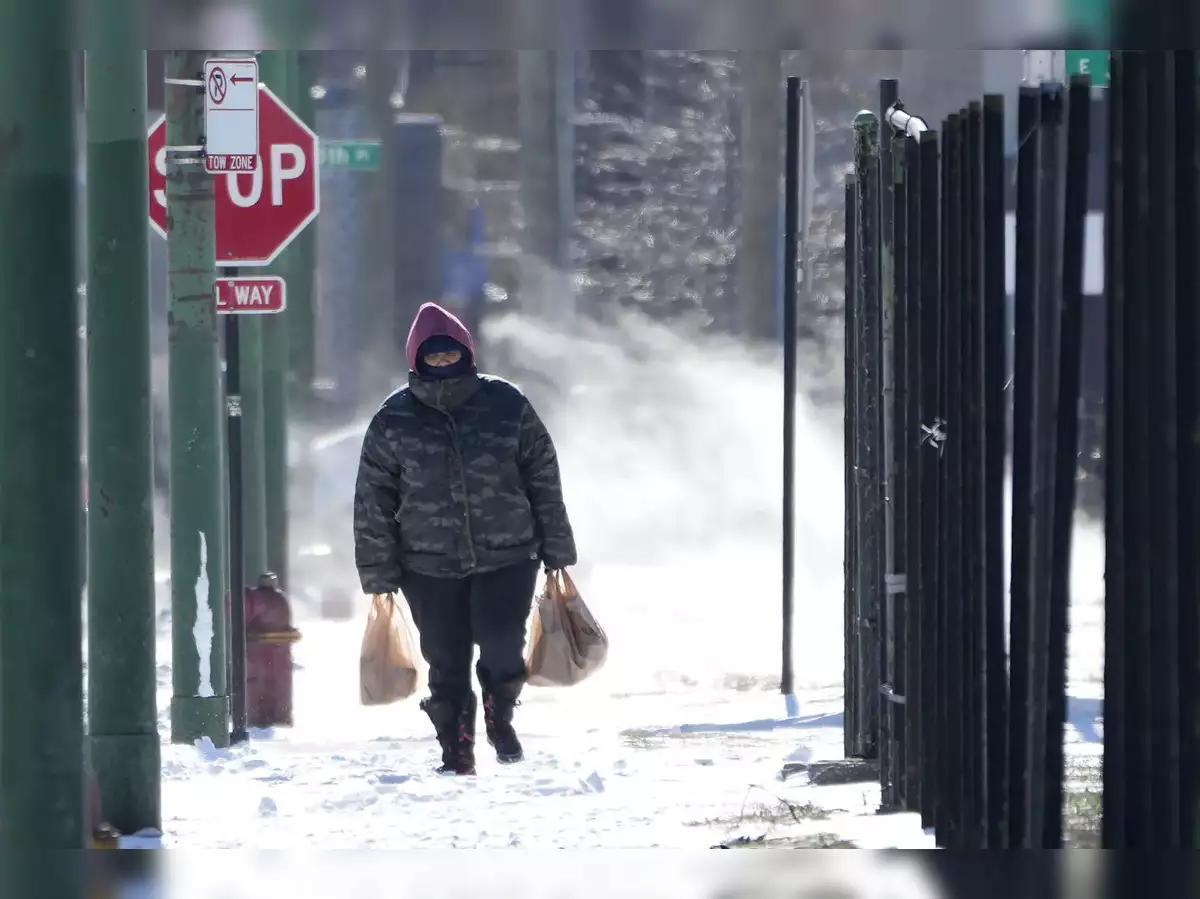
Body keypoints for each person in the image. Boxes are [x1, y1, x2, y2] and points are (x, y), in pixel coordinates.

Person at [353, 301, 577, 775]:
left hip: (509, 554)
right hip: (427, 564)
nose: (441, 363)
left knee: (501, 643)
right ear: (416, 359)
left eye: (448, 354)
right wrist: (377, 569)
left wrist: (557, 545)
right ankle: (455, 750)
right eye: (431, 357)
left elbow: (543, 477)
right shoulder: (393, 420)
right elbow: (373, 498)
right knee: (446, 660)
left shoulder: (507, 406)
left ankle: (500, 714)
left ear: (467, 353)